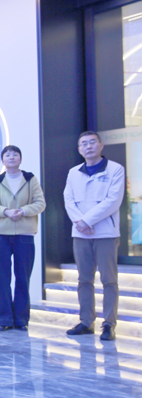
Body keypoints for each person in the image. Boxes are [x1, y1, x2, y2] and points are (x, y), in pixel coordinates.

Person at [63, 131, 125, 341]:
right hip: (81, 234)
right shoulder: (73, 172)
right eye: (84, 144)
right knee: (84, 280)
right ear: (79, 150)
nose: (88, 146)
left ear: (101, 145)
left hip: (105, 233)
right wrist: (80, 222)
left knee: (109, 280)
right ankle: (86, 322)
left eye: (92, 142)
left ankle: (109, 324)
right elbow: (68, 200)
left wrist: (87, 221)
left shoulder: (115, 169)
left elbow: (113, 201)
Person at [0, 145, 46, 331]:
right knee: (2, 279)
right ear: (2, 160)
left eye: (15, 154)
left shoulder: (30, 179)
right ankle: (4, 320)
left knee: (23, 279)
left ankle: (21, 319)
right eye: (7, 155)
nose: (11, 157)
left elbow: (40, 203)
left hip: (25, 235)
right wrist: (6, 211)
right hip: (1, 236)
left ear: (20, 158)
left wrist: (23, 211)